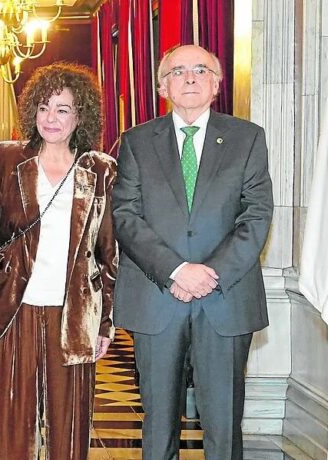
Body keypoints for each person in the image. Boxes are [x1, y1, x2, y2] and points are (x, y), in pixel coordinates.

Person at [112, 44, 273, 460]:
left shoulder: (247, 138)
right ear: (162, 86)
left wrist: (208, 273)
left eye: (201, 70)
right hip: (157, 298)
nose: (189, 78)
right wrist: (176, 270)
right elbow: (125, 216)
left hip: (225, 299)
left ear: (216, 84)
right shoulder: (135, 142)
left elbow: (256, 215)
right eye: (178, 71)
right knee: (157, 425)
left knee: (223, 425)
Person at [0, 62, 118, 459]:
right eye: (43, 108)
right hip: (11, 309)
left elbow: (109, 251)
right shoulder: (7, 157)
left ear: (80, 116)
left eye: (62, 109)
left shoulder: (100, 169)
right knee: (10, 421)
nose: (50, 118)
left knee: (68, 424)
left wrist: (105, 322)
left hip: (74, 312)